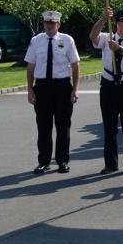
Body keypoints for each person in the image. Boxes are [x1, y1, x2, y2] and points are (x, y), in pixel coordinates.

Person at [90, 7, 123, 175]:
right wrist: (103, 19)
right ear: (118, 23)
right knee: (110, 127)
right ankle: (111, 164)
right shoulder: (107, 37)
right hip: (109, 85)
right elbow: (93, 37)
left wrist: (119, 49)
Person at [25, 10, 80, 175]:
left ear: (58, 24)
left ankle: (62, 161)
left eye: (53, 23)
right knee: (43, 127)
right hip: (42, 88)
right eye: (47, 23)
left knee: (63, 126)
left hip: (62, 87)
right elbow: (30, 67)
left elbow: (76, 66)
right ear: (44, 24)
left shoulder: (67, 40)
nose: (50, 26)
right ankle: (43, 162)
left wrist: (75, 89)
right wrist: (30, 90)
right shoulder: (36, 41)